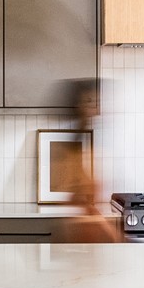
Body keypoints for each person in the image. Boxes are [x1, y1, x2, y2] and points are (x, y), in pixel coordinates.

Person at [55, 78, 122, 243]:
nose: (97, 106)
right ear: (78, 105)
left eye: (97, 100)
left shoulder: (86, 137)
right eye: (90, 100)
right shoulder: (75, 144)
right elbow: (79, 197)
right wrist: (110, 232)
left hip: (85, 228)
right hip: (83, 230)